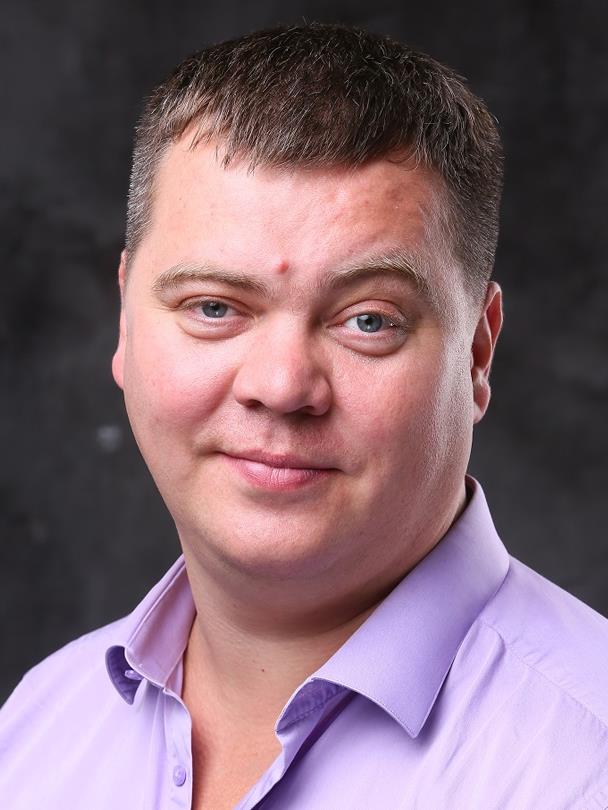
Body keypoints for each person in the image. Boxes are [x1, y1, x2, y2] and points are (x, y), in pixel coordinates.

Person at [1, 22, 607, 809]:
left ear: (478, 352)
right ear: (125, 322)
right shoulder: (36, 733)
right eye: (214, 307)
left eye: (368, 320)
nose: (282, 387)